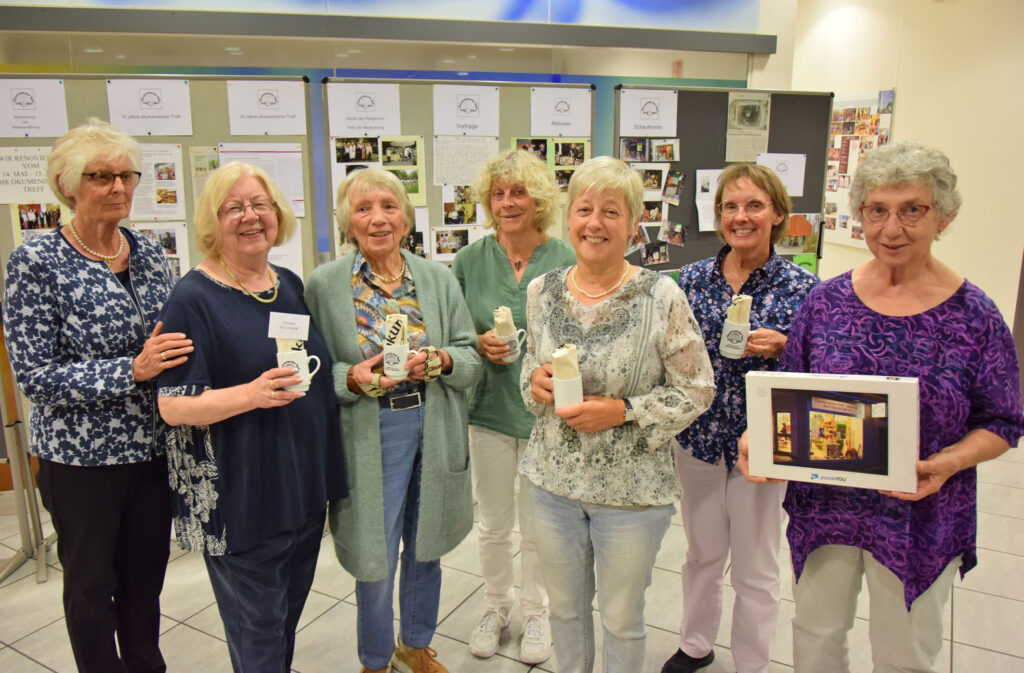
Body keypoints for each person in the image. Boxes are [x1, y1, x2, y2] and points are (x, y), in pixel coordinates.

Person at [739, 141, 1024, 673]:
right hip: (827, 509)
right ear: (860, 217)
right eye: (877, 211)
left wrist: (949, 463)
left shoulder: (976, 315)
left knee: (905, 655)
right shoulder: (825, 303)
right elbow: (787, 393)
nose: (892, 229)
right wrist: (760, 439)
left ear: (944, 216)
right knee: (816, 638)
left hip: (923, 510)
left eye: (912, 210)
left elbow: (1004, 421)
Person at [3, 118, 193, 673]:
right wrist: (129, 371)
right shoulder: (36, 262)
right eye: (100, 176)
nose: (117, 187)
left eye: (126, 175)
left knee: (144, 583)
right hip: (80, 463)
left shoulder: (151, 253)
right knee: (90, 592)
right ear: (67, 186)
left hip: (154, 453)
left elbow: (173, 340)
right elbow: (34, 375)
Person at [521, 156, 715, 673]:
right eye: (584, 209)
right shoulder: (541, 292)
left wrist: (624, 410)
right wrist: (534, 382)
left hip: (631, 495)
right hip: (551, 484)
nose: (595, 223)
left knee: (622, 620)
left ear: (632, 224)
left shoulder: (662, 295)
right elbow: (528, 372)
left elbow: (698, 389)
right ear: (569, 220)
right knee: (564, 611)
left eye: (612, 211)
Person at [156, 162, 346, 673]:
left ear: (277, 214)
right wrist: (251, 394)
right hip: (242, 500)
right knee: (257, 632)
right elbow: (172, 406)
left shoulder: (285, 282)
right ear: (212, 222)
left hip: (301, 489)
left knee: (282, 620)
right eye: (234, 207)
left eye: (260, 205)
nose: (250, 216)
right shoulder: (192, 298)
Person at [305, 168, 482, 673]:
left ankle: (416, 644)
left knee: (426, 546)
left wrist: (443, 360)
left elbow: (469, 359)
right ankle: (375, 658)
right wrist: (351, 379)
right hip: (369, 431)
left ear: (405, 218)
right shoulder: (325, 285)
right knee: (375, 555)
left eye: (388, 205)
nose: (378, 218)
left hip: (434, 424)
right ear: (348, 223)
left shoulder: (436, 278)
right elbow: (311, 370)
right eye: (363, 209)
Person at [661, 164, 819, 673]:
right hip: (700, 440)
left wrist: (787, 347)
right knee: (702, 553)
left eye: (753, 205)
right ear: (718, 215)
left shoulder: (804, 289)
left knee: (756, 566)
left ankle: (753, 662)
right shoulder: (690, 281)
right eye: (730, 206)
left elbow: (822, 368)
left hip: (765, 445)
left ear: (777, 214)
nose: (741, 216)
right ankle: (695, 645)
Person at [452, 150, 576, 664]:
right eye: (498, 194)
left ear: (539, 199)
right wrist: (477, 341)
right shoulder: (467, 261)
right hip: (488, 411)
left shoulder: (565, 257)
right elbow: (454, 334)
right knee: (495, 523)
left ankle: (538, 613)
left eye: (519, 192)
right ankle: (496, 606)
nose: (507, 203)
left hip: (545, 415)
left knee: (541, 525)